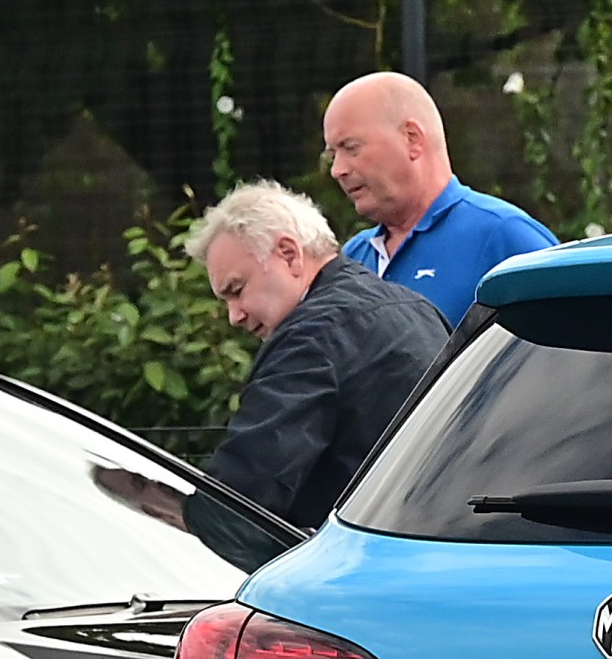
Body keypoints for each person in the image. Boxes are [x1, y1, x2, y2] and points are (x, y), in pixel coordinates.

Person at [183, 179, 449, 529]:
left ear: (289, 254)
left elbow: (243, 494)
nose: (235, 316)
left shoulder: (309, 339)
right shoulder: (414, 308)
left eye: (237, 290)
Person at [323, 71, 559, 327]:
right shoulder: (354, 256)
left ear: (412, 139)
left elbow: (571, 352)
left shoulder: (504, 238)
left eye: (351, 148)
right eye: (332, 154)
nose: (338, 170)